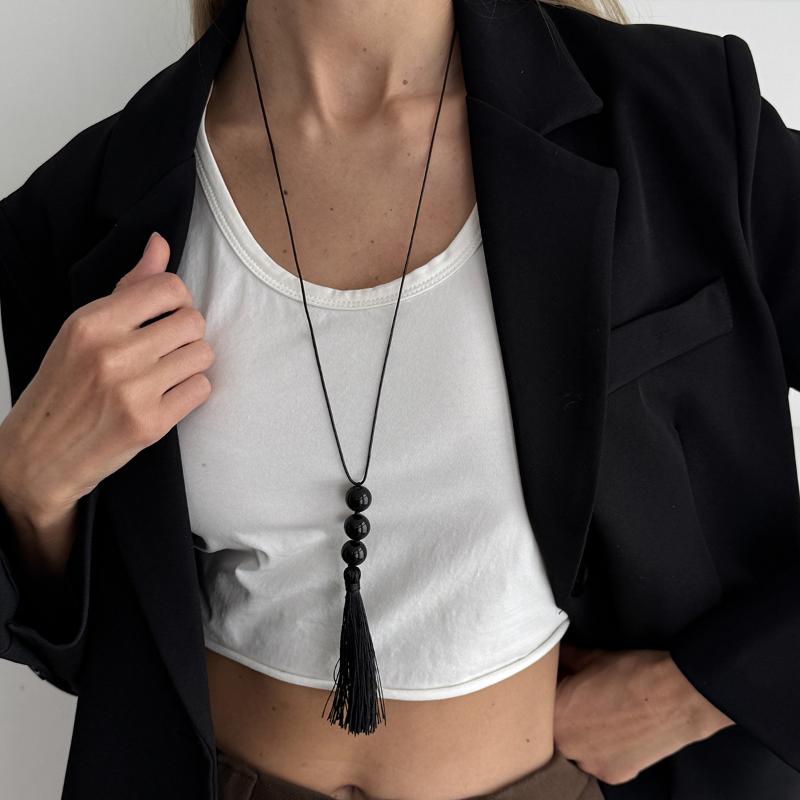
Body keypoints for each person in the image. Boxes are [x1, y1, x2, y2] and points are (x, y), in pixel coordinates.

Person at [0, 0, 798, 798]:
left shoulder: (680, 123)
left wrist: (697, 692)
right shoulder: (79, 209)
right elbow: (103, 660)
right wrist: (29, 490)